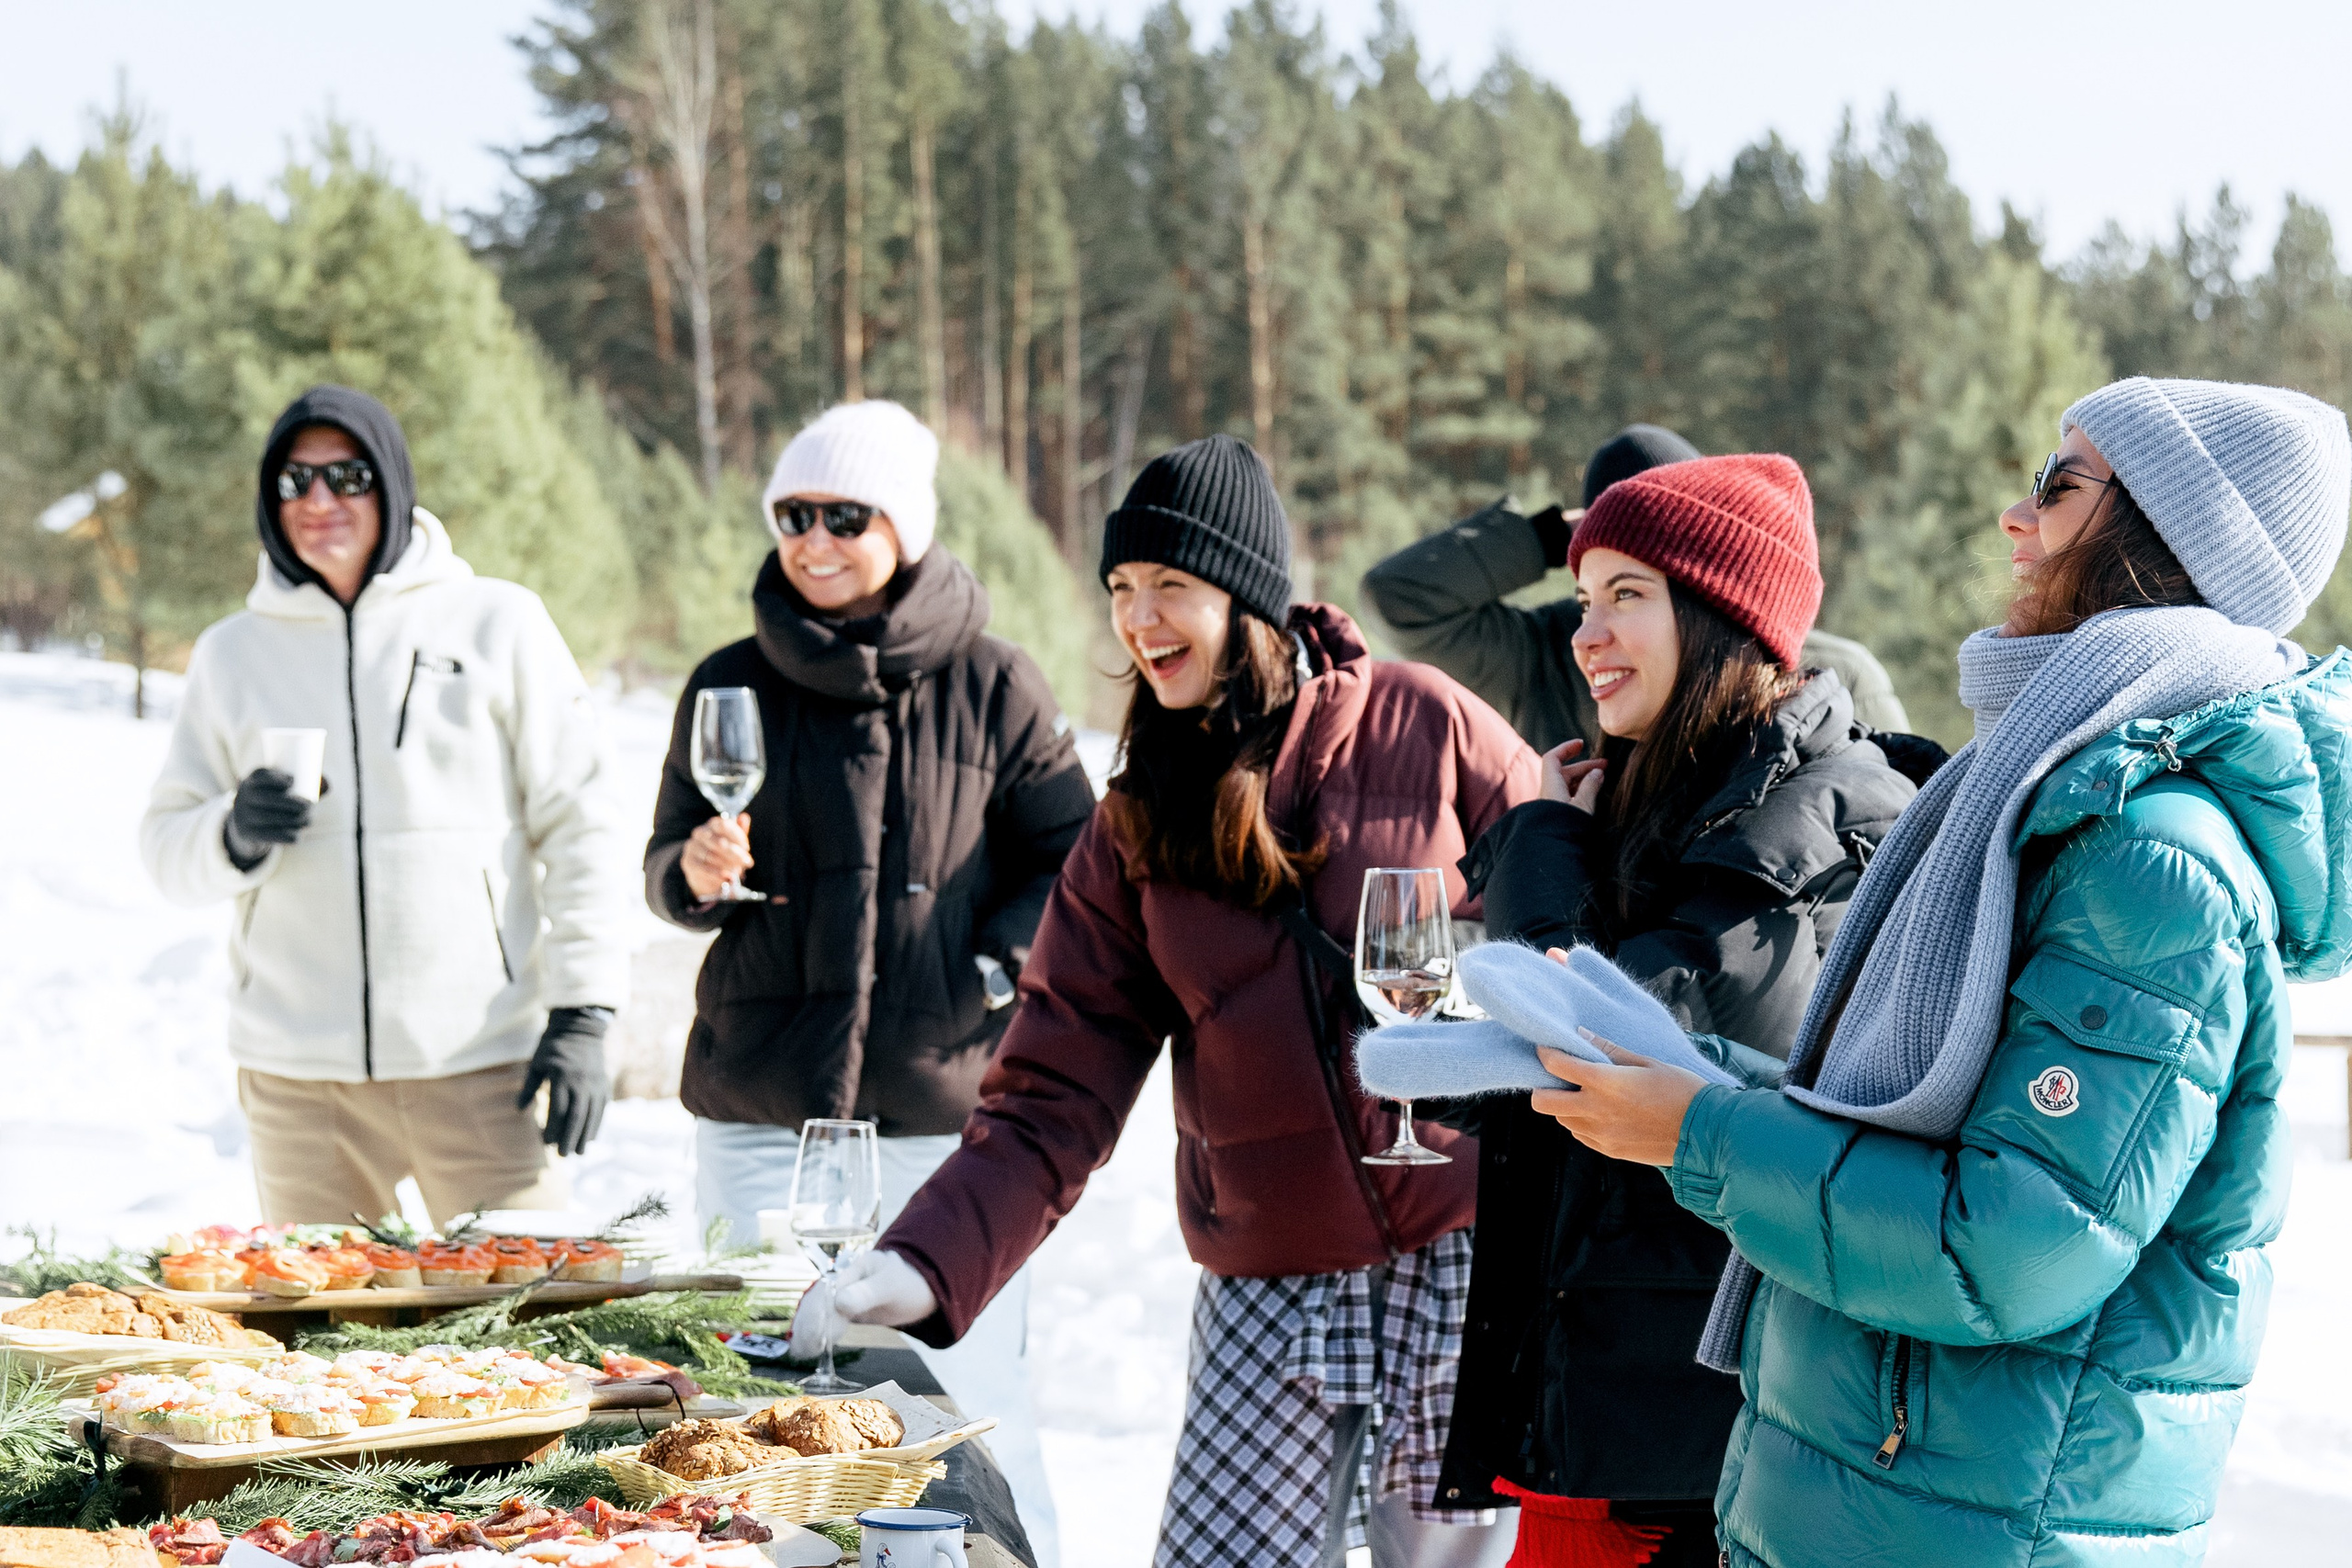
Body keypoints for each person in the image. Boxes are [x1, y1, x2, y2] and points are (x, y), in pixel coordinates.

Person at [1523, 378, 2352, 1566]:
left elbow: (2015, 1241)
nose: (2016, 515)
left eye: (2060, 484)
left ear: (2171, 537)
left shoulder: (2152, 856)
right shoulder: (2043, 786)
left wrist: (1701, 1133)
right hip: (1899, 1501)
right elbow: (1902, 1117)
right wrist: (1698, 1079)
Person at [791, 434, 1543, 1566]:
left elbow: (1562, 921)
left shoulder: (1424, 723)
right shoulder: (1135, 820)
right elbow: (1054, 1087)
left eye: (1170, 586)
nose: (1139, 620)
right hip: (1269, 1282)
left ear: (1246, 597)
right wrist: (925, 1262)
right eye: (1120, 589)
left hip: (1459, 1261)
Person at [1430, 456, 1929, 1564]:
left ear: (1721, 616)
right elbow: (1512, 1077)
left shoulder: (1809, 823)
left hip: (1701, 1452)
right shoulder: (1665, 802)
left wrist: (1541, 841)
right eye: (1580, 600)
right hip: (1614, 1420)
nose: (1586, 634)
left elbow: (1592, 1044)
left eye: (1626, 596)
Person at [644, 399, 1094, 1568]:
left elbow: (1073, 860)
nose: (814, 539)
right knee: (748, 1404)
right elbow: (667, 864)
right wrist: (692, 872)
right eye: (793, 515)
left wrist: (990, 965)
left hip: (940, 1123)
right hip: (760, 1113)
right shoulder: (729, 680)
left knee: (975, 1401)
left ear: (906, 525)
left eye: (844, 516)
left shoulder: (998, 683)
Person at [141, 386, 631, 1226]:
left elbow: (582, 822)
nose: (319, 500)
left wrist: (585, 1011)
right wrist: (233, 831)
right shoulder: (232, 654)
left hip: (480, 1065)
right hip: (300, 1086)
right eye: (295, 481)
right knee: (317, 1311)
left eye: (348, 476)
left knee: (527, 1302)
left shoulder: (498, 623)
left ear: (392, 484)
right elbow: (164, 850)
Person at [1359, 423, 1910, 747]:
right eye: (1597, 592)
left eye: (1634, 588)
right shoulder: (1542, 655)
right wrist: (1555, 536)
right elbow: (1397, 598)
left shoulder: (1835, 676)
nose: (1591, 640)